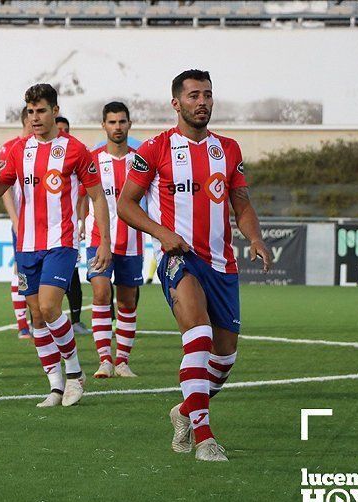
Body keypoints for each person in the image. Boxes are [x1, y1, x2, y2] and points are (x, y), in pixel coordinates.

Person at [117, 69, 272, 461]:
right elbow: (125, 205)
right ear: (176, 103)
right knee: (198, 334)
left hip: (222, 263)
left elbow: (242, 202)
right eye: (192, 96)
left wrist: (254, 238)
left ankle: (185, 410)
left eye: (206, 95)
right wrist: (162, 234)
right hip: (179, 259)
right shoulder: (153, 149)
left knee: (224, 357)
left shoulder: (229, 149)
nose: (201, 102)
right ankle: (204, 438)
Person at [0, 83, 112, 408]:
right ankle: (55, 386)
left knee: (51, 307)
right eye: (31, 112)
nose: (35, 117)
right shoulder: (17, 150)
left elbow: (97, 195)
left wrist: (104, 240)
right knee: (37, 316)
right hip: (26, 245)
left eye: (41, 111)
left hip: (61, 242)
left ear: (55, 111)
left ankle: (75, 373)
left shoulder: (76, 150)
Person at [84, 102, 143, 379]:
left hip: (133, 240)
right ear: (103, 126)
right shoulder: (92, 159)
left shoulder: (140, 160)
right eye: (112, 122)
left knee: (127, 302)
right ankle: (104, 360)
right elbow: (80, 196)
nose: (117, 127)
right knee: (100, 292)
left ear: (129, 125)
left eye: (122, 122)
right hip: (98, 238)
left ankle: (122, 361)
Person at [0, 107, 33, 339]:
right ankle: (22, 325)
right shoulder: (10, 148)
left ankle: (39, 322)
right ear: (26, 120)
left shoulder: (46, 146)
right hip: (22, 221)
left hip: (45, 222)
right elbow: (4, 187)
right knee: (20, 269)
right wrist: (15, 220)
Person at [53, 116, 89, 335]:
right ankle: (37, 322)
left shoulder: (76, 152)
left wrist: (82, 220)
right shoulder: (39, 154)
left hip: (69, 229)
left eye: (66, 129)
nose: (63, 132)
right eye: (60, 129)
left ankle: (75, 320)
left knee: (73, 276)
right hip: (43, 231)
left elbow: (85, 193)